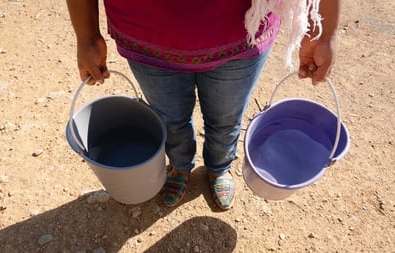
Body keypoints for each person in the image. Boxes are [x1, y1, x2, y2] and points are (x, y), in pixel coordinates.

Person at [66, 0, 341, 210]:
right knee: (169, 120)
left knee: (226, 119)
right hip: (146, 39)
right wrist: (86, 34)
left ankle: (219, 167)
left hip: (242, 36)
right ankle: (180, 166)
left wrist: (325, 33)